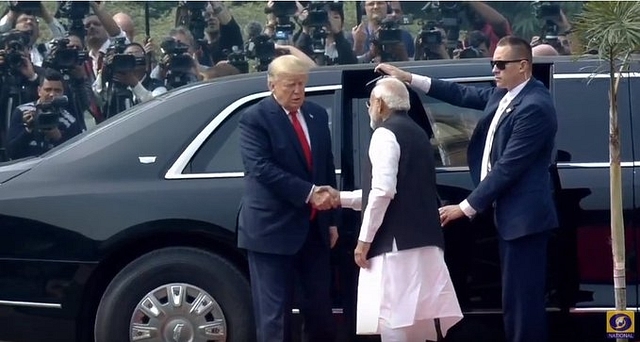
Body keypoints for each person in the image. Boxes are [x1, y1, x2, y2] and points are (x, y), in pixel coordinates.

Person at [376, 35, 559, 342]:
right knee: (513, 300)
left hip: (525, 220)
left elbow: (509, 166)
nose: (494, 71)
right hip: (509, 217)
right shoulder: (504, 95)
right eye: (492, 64)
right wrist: (408, 78)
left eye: (501, 65)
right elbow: (459, 93)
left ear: (524, 67)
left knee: (523, 303)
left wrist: (463, 207)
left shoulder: (535, 106)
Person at [339, 77, 462, 341]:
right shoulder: (418, 134)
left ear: (380, 104)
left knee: (394, 320)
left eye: (371, 103)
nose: (370, 109)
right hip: (424, 243)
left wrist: (364, 241)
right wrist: (342, 198)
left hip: (396, 246)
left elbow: (383, 192)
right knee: (416, 324)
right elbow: (398, 191)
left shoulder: (385, 133)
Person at [237, 55, 339, 342]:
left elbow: (325, 166)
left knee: (320, 312)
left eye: (302, 85)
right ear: (272, 84)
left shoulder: (317, 115)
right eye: (290, 85)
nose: (298, 92)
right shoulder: (255, 118)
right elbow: (261, 168)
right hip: (271, 230)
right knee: (275, 318)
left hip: (314, 229)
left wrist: (331, 220)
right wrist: (309, 194)